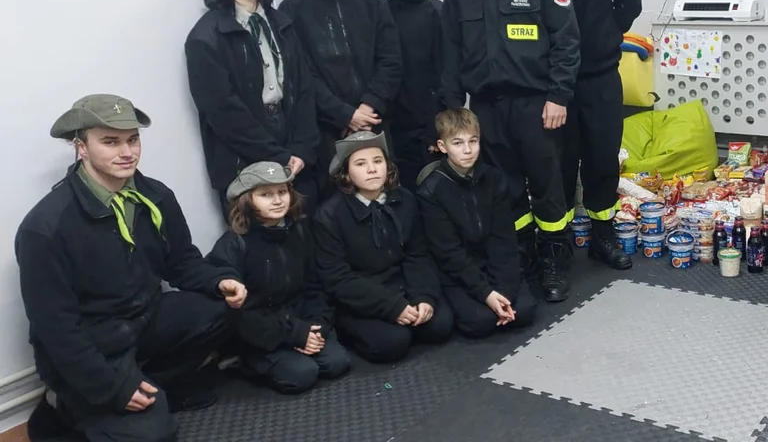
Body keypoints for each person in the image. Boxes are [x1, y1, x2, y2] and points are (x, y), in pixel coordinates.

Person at [17, 95, 247, 442]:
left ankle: (154, 387)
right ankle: (64, 406)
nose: (127, 152)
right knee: (155, 435)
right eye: (110, 142)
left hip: (143, 320)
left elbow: (181, 261)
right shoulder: (45, 227)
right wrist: (111, 388)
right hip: (93, 341)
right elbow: (56, 329)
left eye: (133, 139)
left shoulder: (156, 196)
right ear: (81, 147)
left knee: (224, 307)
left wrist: (219, 281)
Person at [441, 0, 581, 303]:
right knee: (502, 190)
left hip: (536, 104)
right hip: (485, 107)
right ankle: (520, 257)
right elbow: (450, 51)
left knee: (547, 185)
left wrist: (558, 95)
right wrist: (452, 113)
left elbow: (566, 39)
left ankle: (554, 258)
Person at [529, 0, 641, 272]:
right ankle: (556, 248)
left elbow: (630, 4)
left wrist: (604, 35)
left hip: (600, 79)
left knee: (601, 160)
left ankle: (602, 237)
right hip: (550, 85)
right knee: (556, 164)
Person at [186, 0, 321, 219]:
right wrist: (277, 156)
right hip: (244, 153)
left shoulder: (281, 22)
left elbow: (303, 87)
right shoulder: (205, 37)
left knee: (305, 231)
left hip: (291, 138)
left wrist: (301, 148)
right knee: (258, 234)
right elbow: (223, 111)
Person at [279, 0, 404, 201]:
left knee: (385, 198)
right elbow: (300, 74)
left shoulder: (372, 3)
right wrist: (345, 114)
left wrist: (368, 106)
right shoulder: (291, 10)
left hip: (375, 121)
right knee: (337, 205)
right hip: (326, 129)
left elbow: (391, 60)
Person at [206, 162, 351, 394]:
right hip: (261, 333)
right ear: (246, 200)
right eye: (265, 195)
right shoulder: (234, 244)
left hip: (299, 319)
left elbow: (315, 285)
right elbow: (242, 314)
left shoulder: (300, 231)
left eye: (282, 192)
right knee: (303, 374)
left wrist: (315, 327)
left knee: (337, 362)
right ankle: (244, 362)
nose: (277, 200)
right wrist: (295, 335)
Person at [313, 131, 453, 363]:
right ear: (346, 173)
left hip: (401, 286)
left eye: (378, 161)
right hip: (362, 298)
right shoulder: (329, 215)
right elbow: (338, 278)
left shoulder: (405, 199)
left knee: (440, 326)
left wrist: (423, 296)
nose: (372, 169)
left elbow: (418, 254)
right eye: (361, 164)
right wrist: (392, 307)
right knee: (392, 344)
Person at [416, 109, 537, 338]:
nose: (468, 150)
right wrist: (486, 294)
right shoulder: (431, 191)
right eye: (458, 143)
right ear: (442, 146)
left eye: (473, 141)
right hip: (458, 273)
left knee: (524, 311)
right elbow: (448, 252)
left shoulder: (494, 179)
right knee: (480, 322)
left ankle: (502, 298)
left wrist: (504, 291)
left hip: (492, 264)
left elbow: (504, 239)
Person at [375, 0, 445, 189]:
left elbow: (447, 71)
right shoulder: (377, 15)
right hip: (392, 123)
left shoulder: (438, 12)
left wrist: (438, 125)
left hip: (431, 121)